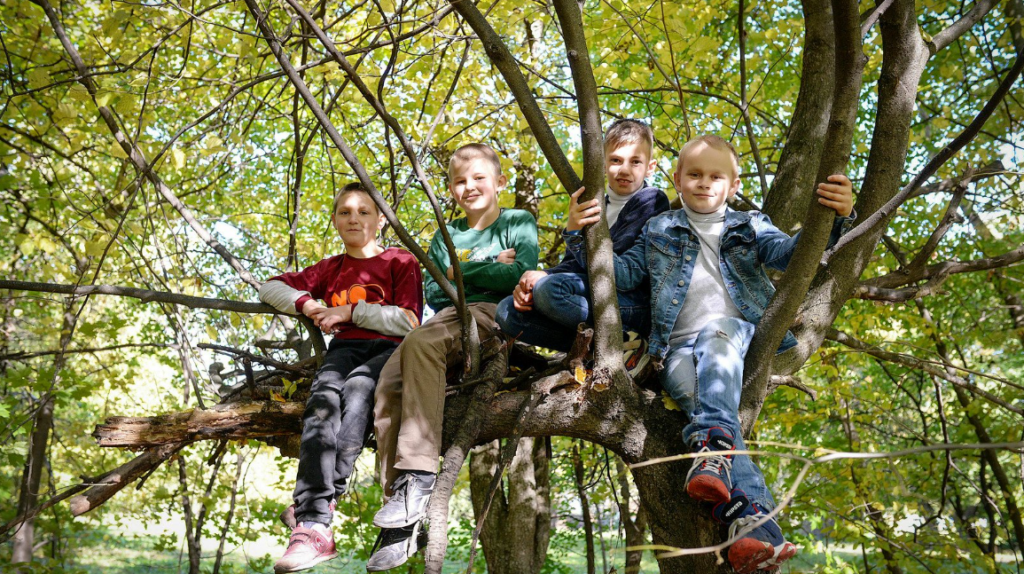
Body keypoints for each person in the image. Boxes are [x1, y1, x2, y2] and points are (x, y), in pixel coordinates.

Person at [563, 135, 855, 573]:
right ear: (677, 179)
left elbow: (795, 253)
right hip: (677, 350)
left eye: (715, 176)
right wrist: (580, 232)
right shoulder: (657, 228)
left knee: (717, 337)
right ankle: (754, 529)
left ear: (733, 184)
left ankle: (713, 451)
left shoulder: (750, 224)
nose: (704, 183)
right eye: (694, 174)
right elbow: (619, 275)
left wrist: (838, 217)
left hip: (734, 339)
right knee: (706, 405)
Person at [366, 143, 540, 570]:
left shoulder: (517, 221)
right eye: (460, 181)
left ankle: (419, 478)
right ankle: (400, 519)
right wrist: (485, 267)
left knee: (421, 344)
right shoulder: (444, 236)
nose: (470, 186)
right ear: (449, 189)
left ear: (499, 182)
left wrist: (461, 271)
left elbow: (522, 273)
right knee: (388, 382)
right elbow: (437, 288)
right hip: (447, 317)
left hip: (495, 314)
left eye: (480, 177)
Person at [259, 182, 423, 574]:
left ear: (381, 219)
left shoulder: (401, 261)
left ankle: (314, 508)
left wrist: (351, 312)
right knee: (322, 404)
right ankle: (314, 525)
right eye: (345, 212)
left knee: (359, 392)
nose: (354, 218)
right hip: (344, 350)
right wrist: (309, 303)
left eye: (364, 211)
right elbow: (270, 287)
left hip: (391, 351)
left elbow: (409, 321)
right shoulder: (329, 269)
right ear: (334, 220)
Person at [496, 119, 669, 369]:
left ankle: (630, 340)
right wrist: (543, 273)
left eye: (635, 161)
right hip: (592, 296)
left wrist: (575, 234)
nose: (625, 169)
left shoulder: (650, 200)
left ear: (650, 166)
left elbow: (619, 271)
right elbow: (572, 266)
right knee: (506, 311)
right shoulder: (595, 204)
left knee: (550, 291)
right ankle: (602, 347)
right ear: (601, 162)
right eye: (616, 160)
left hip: (632, 303)